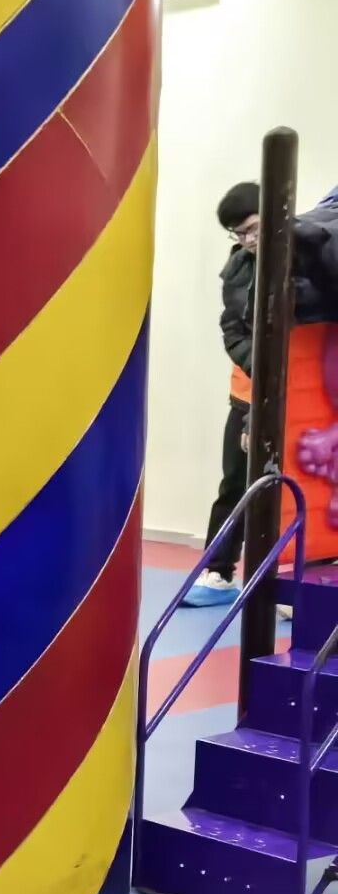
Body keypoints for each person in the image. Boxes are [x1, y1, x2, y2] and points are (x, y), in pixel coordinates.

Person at [185, 182, 260, 607]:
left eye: (252, 229)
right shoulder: (237, 270)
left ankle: (291, 583)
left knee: (291, 489)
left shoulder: (306, 259)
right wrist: (260, 375)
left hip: (298, 395)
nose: (247, 240)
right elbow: (233, 331)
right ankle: (218, 572)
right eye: (239, 234)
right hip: (247, 393)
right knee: (234, 483)